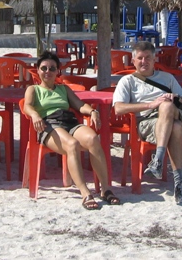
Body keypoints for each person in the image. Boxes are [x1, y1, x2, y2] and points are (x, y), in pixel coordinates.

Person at [22, 51, 120, 210]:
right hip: (49, 124)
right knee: (72, 145)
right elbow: (27, 106)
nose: (48, 72)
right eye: (44, 68)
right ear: (38, 70)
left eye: (52, 68)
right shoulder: (33, 89)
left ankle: (106, 188)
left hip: (69, 121)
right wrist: (34, 115)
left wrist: (92, 112)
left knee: (93, 139)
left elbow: (79, 104)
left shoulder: (63, 89)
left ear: (57, 71)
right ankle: (85, 192)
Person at [112, 41, 182, 205]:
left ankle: (158, 160)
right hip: (147, 122)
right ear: (133, 60)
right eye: (140, 58)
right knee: (176, 127)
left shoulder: (167, 78)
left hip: (172, 115)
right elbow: (118, 108)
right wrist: (150, 104)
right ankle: (179, 183)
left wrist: (175, 97)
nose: (144, 62)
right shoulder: (127, 81)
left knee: (167, 106)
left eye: (148, 58)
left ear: (154, 59)